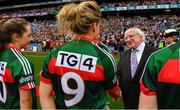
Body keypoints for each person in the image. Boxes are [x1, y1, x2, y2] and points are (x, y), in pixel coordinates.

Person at [39, 1, 121, 109]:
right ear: (94, 26)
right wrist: (118, 95)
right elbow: (114, 92)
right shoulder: (103, 56)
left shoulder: (54, 54)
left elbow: (45, 96)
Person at [0, 18, 37, 109]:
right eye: (29, 35)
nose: (31, 38)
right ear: (16, 37)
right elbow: (25, 100)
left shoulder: (2, 54)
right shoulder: (22, 63)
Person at [116, 27, 156, 109]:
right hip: (129, 100)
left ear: (141, 37)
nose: (127, 40)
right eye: (126, 38)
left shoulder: (155, 53)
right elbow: (119, 73)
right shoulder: (124, 55)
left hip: (149, 99)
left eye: (131, 36)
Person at [139, 30, 180, 109]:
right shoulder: (161, 52)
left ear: (174, 37)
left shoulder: (158, 56)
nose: (164, 39)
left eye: (167, 37)